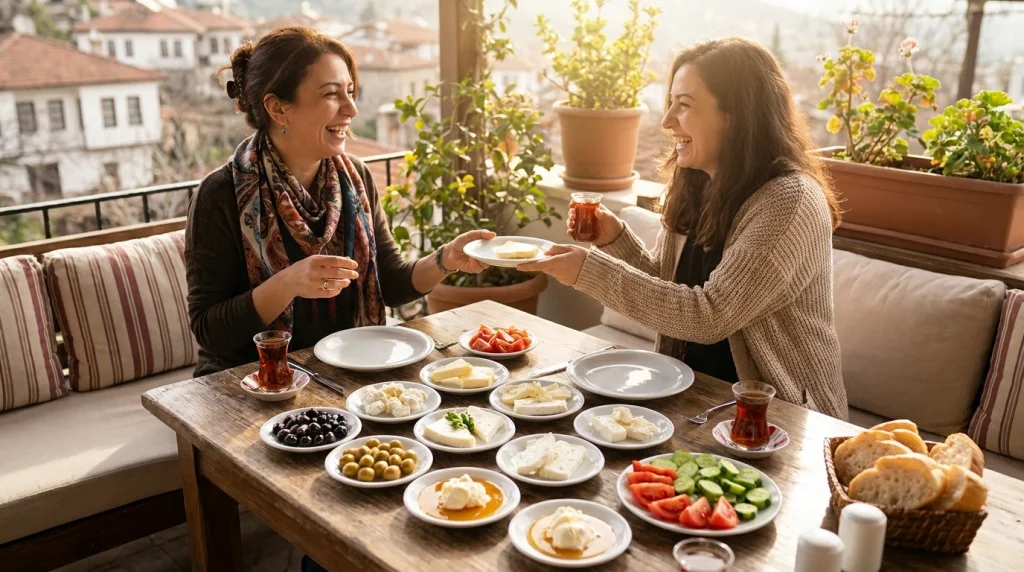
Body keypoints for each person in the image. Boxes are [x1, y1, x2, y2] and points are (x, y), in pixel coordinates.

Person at [520, 37, 849, 420]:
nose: (667, 121)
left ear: (737, 115)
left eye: (685, 105)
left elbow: (709, 315)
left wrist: (588, 271)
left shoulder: (789, 201)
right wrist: (616, 240)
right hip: (692, 396)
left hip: (780, 417)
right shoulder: (698, 183)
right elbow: (669, 291)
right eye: (670, 102)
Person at [185, 26, 492, 377]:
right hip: (251, 379)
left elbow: (390, 283)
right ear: (278, 108)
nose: (352, 109)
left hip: (346, 367)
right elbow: (209, 331)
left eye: (350, 91)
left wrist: (445, 259)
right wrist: (287, 283)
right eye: (331, 94)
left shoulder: (355, 177)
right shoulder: (220, 194)